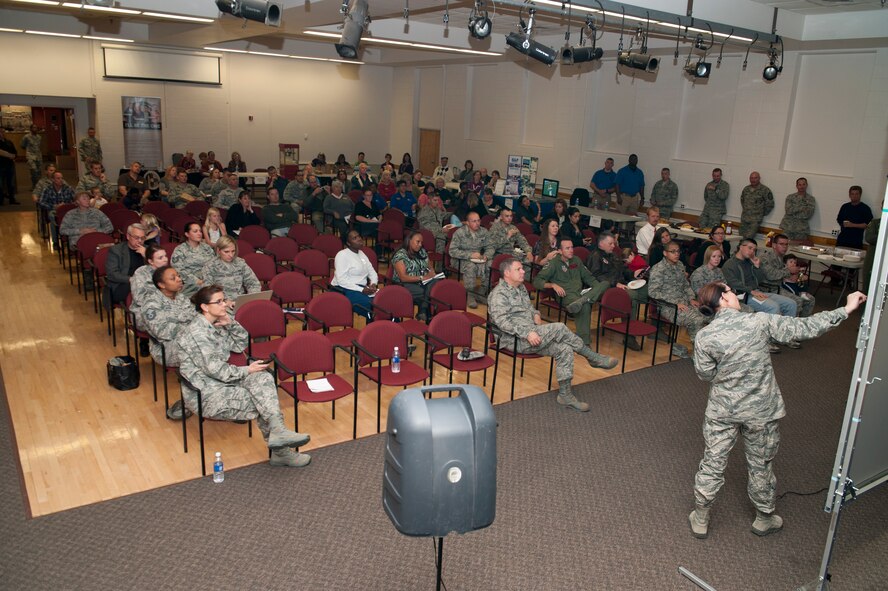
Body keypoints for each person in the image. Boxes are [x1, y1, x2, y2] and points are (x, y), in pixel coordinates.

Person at [688, 283, 866, 540]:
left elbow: (704, 374)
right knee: (761, 464)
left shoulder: (705, 336)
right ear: (724, 299)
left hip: (723, 410)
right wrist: (846, 309)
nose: (736, 296)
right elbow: (806, 327)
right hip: (762, 411)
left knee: (713, 462)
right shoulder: (759, 322)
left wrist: (728, 376)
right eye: (731, 292)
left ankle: (701, 516)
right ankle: (764, 518)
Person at [176, 285, 312, 468]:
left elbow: (241, 344)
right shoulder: (197, 332)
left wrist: (231, 324)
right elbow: (217, 371)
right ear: (205, 307)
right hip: (207, 392)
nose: (225, 304)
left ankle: (279, 434)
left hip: (225, 381)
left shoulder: (217, 323)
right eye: (219, 301)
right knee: (262, 399)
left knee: (263, 378)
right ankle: (281, 450)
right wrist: (247, 369)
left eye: (224, 300)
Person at [489, 257, 617, 412]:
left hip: (532, 334)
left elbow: (528, 308)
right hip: (515, 340)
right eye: (518, 269)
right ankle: (592, 357)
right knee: (560, 328)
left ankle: (565, 395)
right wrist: (527, 332)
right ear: (507, 273)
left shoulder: (520, 287)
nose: (523, 271)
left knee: (564, 348)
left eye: (522, 268)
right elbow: (503, 322)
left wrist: (535, 313)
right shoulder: (498, 295)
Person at [722, 239, 798, 346]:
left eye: (754, 249)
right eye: (749, 248)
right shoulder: (730, 264)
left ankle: (786, 335)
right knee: (773, 307)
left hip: (757, 292)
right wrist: (751, 290)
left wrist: (757, 267)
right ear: (740, 247)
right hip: (744, 295)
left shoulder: (750, 262)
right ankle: (767, 340)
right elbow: (733, 283)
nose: (752, 251)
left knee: (791, 304)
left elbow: (760, 280)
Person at [533, 238, 605, 347]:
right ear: (560, 251)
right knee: (585, 306)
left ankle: (584, 299)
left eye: (572, 247)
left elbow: (589, 278)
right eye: (567, 248)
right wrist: (552, 285)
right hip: (566, 296)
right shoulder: (553, 263)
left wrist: (597, 288)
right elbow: (537, 282)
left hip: (581, 294)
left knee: (605, 284)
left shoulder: (576, 260)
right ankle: (583, 342)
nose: (571, 250)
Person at [586, 232, 648, 350]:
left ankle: (632, 330)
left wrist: (632, 273)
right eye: (610, 244)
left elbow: (622, 269)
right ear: (601, 244)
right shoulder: (595, 256)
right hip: (604, 288)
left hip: (618, 285)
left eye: (613, 243)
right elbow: (595, 276)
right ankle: (630, 336)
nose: (613, 246)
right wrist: (615, 284)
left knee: (643, 290)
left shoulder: (613, 255)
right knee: (631, 296)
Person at [647, 242, 707, 359]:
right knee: (697, 320)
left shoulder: (680, 265)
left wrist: (691, 298)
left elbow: (685, 285)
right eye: (672, 251)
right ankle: (698, 354)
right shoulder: (658, 269)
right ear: (665, 253)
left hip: (684, 303)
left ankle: (703, 350)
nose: (676, 254)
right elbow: (653, 292)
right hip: (668, 307)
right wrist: (674, 303)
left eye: (678, 251)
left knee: (707, 314)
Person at [141, 265, 194, 370]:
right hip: (166, 348)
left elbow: (195, 318)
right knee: (206, 348)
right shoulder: (151, 304)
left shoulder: (181, 297)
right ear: (161, 285)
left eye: (178, 276)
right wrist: (192, 329)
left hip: (188, 339)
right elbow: (162, 332)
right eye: (173, 278)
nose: (179, 279)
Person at [758, 234, 814, 318]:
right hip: (769, 289)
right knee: (797, 301)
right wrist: (789, 271)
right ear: (774, 245)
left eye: (786, 244)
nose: (785, 247)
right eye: (781, 244)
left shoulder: (784, 258)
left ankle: (802, 324)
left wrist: (798, 276)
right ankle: (790, 326)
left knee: (810, 300)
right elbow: (771, 275)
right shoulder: (765, 258)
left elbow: (789, 276)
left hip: (783, 286)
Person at [391, 230, 440, 321]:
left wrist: (432, 273)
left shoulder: (422, 252)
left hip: (423, 281)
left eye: (421, 242)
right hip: (404, 283)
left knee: (436, 284)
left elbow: (430, 267)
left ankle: (423, 311)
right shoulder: (400, 255)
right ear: (409, 241)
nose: (420, 244)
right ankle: (426, 313)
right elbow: (403, 277)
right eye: (418, 242)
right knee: (425, 292)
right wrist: (422, 278)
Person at [449, 212, 494, 308]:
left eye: (478, 220)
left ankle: (481, 293)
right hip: (460, 259)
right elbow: (452, 251)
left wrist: (486, 256)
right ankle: (470, 295)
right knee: (470, 266)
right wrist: (470, 255)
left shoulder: (484, 231)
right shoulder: (460, 233)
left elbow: (490, 247)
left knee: (490, 264)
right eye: (474, 221)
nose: (477, 223)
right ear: (467, 223)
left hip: (478, 259)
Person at [331, 230, 378, 319]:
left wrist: (373, 284)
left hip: (362, 288)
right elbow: (341, 280)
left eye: (359, 236)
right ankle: (374, 331)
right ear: (348, 243)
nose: (359, 239)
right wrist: (361, 289)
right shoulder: (342, 255)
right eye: (354, 238)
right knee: (374, 308)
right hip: (345, 289)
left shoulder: (362, 253)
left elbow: (372, 273)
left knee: (384, 303)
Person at [104, 223, 147, 308]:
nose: (139, 241)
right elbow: (112, 274)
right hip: (122, 284)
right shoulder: (116, 251)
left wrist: (146, 256)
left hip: (144, 283)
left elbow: (158, 271)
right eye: (136, 237)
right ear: (128, 236)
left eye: (142, 238)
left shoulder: (147, 249)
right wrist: (132, 279)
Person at [171, 221, 216, 296]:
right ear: (187, 234)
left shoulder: (206, 247)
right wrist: (196, 281)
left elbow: (214, 264)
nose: (199, 233)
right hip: (190, 285)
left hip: (208, 281)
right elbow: (178, 270)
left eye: (200, 231)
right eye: (195, 231)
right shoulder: (180, 250)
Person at [38, 171, 75, 246]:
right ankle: (55, 242)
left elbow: (76, 199)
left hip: (66, 210)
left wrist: (66, 205)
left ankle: (70, 239)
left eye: (62, 178)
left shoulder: (68, 188)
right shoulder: (48, 189)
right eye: (58, 178)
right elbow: (41, 202)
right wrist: (53, 206)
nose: (61, 180)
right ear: (53, 180)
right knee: (53, 217)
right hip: (53, 210)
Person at [739, 172, 774, 239]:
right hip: (744, 218)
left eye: (755, 178)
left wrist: (761, 213)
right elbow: (742, 200)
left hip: (755, 220)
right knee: (740, 237)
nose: (753, 180)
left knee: (749, 238)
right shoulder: (746, 189)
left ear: (759, 178)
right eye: (751, 178)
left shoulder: (765, 190)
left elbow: (770, 204)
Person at [0, 128, 20, 205]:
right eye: (0, 132)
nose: (2, 133)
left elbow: (15, 152)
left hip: (9, 166)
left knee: (11, 184)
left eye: (3, 132)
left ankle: (12, 199)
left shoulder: (9, 142)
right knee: (0, 184)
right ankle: (1, 200)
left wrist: (14, 156)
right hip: (0, 166)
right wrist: (9, 155)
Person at [21, 124, 43, 188]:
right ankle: (35, 185)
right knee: (33, 170)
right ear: (31, 129)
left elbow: (39, 146)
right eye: (33, 128)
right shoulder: (26, 137)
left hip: (38, 155)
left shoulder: (39, 137)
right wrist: (28, 150)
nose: (35, 129)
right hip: (30, 155)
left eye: (36, 128)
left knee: (38, 171)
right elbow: (22, 145)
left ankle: (38, 185)